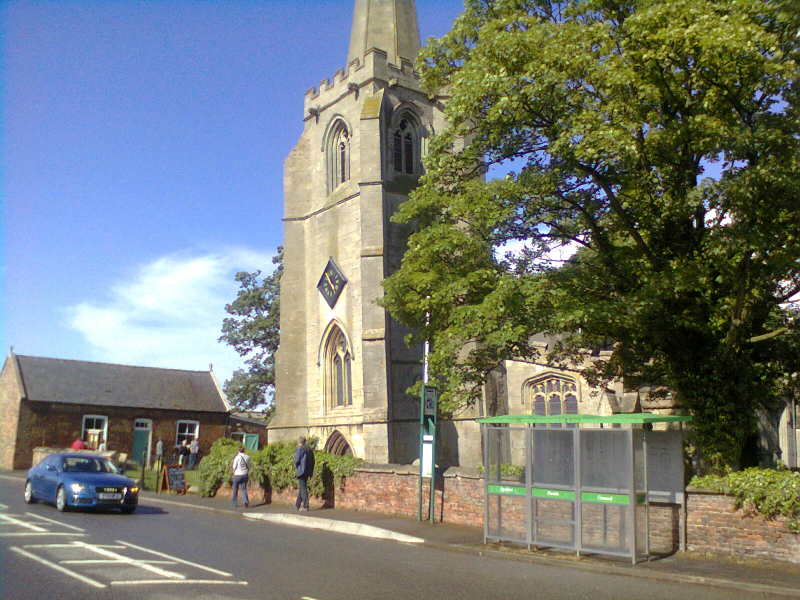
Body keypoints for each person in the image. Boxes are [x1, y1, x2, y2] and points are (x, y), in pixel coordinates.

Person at [293, 436, 315, 511]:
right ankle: (297, 505)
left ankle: (306, 505)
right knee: (302, 486)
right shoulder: (309, 449)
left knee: (303, 488)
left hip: (301, 471)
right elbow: (313, 461)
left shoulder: (300, 449)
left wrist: (296, 466)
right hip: (307, 471)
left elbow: (296, 460)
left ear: (299, 442)